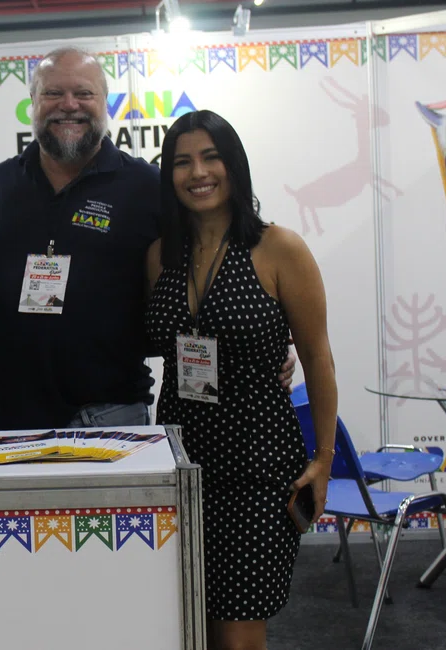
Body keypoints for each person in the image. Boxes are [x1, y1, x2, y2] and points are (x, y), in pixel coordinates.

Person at [0, 46, 295, 431]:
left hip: (112, 414)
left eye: (84, 94)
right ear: (33, 103)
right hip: (14, 418)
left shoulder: (147, 187)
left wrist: (268, 343)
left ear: (104, 103)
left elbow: (212, 266)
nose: (69, 105)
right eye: (53, 93)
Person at [145, 109, 337, 649]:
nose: (198, 172)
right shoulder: (161, 256)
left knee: (240, 633)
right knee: (191, 624)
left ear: (234, 166)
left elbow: (318, 358)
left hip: (257, 462)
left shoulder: (279, 249)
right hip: (180, 462)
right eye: (182, 162)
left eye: (211, 157)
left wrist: (322, 460)